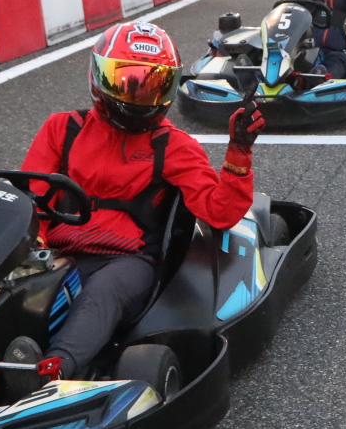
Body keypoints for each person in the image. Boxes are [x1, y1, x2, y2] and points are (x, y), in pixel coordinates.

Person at [13, 21, 266, 380]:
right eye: (129, 83)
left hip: (128, 261)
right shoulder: (63, 129)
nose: (138, 97)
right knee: (9, 287)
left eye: (152, 86)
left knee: (103, 292)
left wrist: (239, 151)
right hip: (57, 252)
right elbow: (29, 202)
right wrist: (34, 253)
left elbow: (219, 212)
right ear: (100, 77)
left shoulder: (172, 145)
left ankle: (51, 372)